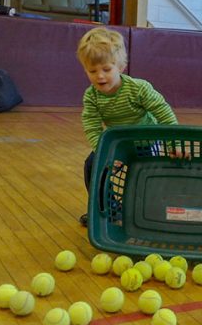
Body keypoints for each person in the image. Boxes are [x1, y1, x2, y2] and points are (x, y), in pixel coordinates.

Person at [76, 27, 178, 227]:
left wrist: (173, 143)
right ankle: (108, 208)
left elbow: (163, 112)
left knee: (142, 175)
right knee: (92, 164)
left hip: (148, 141)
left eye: (106, 69)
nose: (100, 76)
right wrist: (104, 153)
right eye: (92, 71)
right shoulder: (91, 96)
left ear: (120, 67)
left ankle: (148, 211)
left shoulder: (138, 88)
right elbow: (92, 126)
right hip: (120, 144)